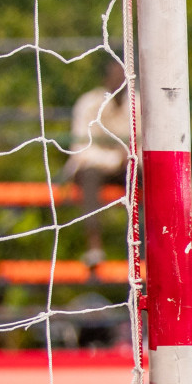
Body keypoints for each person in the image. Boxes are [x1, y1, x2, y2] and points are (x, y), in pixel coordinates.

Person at [65, 58, 132, 266]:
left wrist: (127, 158)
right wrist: (115, 159)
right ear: (105, 78)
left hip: (126, 169)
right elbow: (80, 151)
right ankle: (94, 247)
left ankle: (147, 244)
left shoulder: (136, 104)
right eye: (115, 76)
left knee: (149, 178)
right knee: (90, 175)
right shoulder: (89, 104)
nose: (119, 81)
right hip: (94, 169)